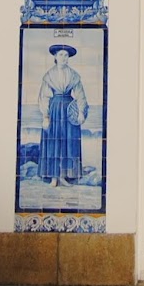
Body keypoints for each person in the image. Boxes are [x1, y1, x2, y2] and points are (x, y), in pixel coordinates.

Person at [37, 43, 86, 186]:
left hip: (70, 109)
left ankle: (64, 176)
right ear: (55, 57)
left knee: (68, 141)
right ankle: (53, 176)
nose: (64, 58)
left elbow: (80, 95)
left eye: (66, 55)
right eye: (61, 55)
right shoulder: (49, 76)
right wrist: (45, 116)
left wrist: (81, 112)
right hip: (54, 109)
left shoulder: (74, 75)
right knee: (54, 141)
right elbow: (44, 96)